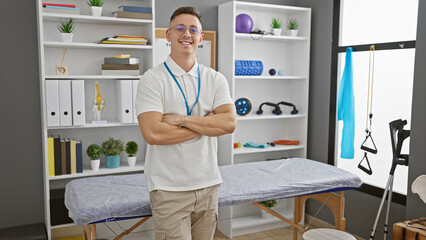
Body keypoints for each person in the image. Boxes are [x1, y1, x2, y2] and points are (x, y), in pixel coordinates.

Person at [135, 6, 237, 240]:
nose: (186, 34)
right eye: (179, 28)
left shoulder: (215, 79)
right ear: (168, 35)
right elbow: (153, 134)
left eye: (193, 30)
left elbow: (229, 124)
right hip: (169, 189)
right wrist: (206, 125)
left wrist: (182, 120)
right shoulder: (152, 79)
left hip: (209, 185)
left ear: (201, 37)